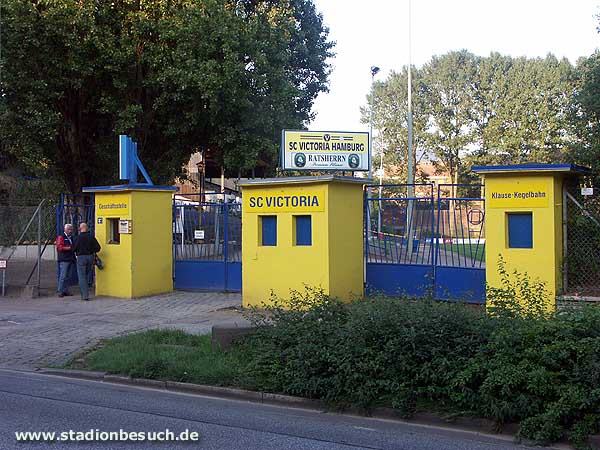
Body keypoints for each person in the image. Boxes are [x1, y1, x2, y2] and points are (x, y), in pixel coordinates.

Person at [72, 222, 101, 301]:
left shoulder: (77, 238)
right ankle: (86, 288)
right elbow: (98, 248)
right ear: (87, 228)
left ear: (80, 229)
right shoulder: (91, 237)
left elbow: (73, 249)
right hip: (90, 257)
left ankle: (85, 295)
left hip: (81, 258)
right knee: (86, 274)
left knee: (82, 276)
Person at [56, 223, 75, 297]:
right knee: (63, 276)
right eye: (68, 229)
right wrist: (70, 248)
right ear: (65, 229)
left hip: (70, 259)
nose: (70, 231)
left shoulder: (71, 237)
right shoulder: (61, 237)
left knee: (68, 276)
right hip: (64, 259)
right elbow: (59, 248)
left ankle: (66, 290)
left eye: (71, 229)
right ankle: (60, 291)